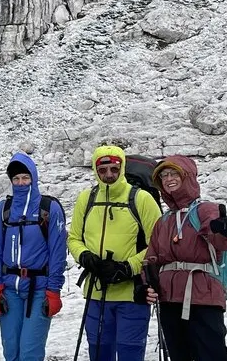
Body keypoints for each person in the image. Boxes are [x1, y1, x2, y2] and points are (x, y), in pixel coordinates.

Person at [67, 146, 161, 361]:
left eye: (114, 169)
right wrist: (85, 257)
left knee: (130, 354)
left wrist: (127, 267)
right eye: (103, 170)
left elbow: (157, 244)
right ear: (95, 170)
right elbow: (73, 238)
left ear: (122, 168)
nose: (109, 174)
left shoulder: (142, 199)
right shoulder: (86, 198)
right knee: (99, 352)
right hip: (96, 293)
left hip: (132, 293)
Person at [144, 155, 227, 361]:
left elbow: (221, 243)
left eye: (174, 173)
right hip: (169, 299)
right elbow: (151, 258)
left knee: (211, 354)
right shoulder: (164, 220)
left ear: (188, 176)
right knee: (179, 355)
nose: (169, 179)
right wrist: (145, 284)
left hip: (203, 295)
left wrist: (224, 230)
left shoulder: (206, 210)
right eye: (164, 175)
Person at [0, 152, 68, 361]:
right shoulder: (3, 210)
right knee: (11, 351)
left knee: (29, 352)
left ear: (33, 177)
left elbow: (58, 252)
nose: (21, 183)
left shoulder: (49, 209)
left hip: (39, 289)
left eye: (25, 177)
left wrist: (54, 290)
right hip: (9, 289)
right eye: (16, 179)